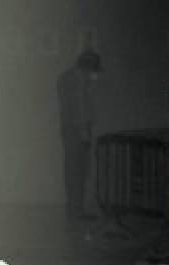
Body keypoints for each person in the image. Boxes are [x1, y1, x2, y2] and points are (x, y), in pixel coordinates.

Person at [57, 48, 102, 219]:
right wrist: (84, 132)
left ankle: (74, 209)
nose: (94, 76)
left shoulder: (65, 78)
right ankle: (77, 211)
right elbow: (80, 108)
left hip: (69, 130)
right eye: (93, 70)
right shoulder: (79, 80)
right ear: (88, 67)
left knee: (72, 170)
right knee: (79, 171)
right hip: (78, 131)